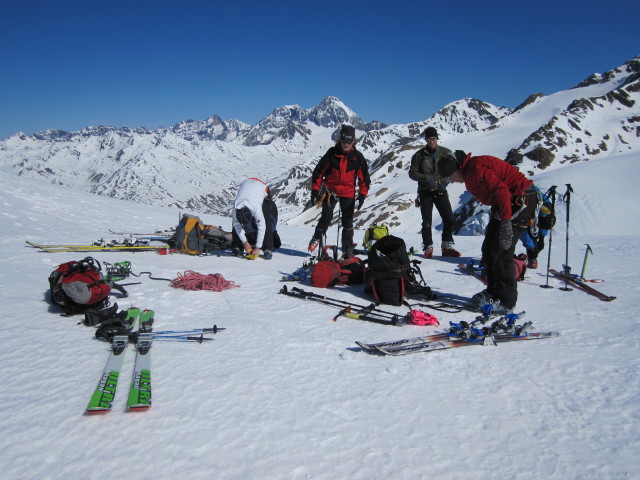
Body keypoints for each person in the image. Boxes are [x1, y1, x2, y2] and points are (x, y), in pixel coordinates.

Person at [437, 151, 538, 314]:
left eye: (450, 177)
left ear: (455, 170)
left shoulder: (475, 169)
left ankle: (506, 302)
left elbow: (502, 191)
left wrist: (505, 223)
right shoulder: (470, 171)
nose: (452, 181)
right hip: (509, 203)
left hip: (521, 201)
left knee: (502, 251)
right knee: (490, 249)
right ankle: (493, 292)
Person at [308, 124, 371, 258]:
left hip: (348, 193)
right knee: (326, 217)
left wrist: (362, 195)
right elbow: (318, 172)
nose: (346, 144)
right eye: (343, 141)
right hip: (330, 191)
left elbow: (364, 179)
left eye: (349, 141)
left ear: (353, 141)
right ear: (340, 140)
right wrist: (315, 190)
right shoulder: (331, 153)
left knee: (347, 222)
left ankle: (347, 249)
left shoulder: (357, 157)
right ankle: (316, 237)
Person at [408, 127, 461, 258]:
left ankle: (447, 245)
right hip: (425, 191)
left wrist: (447, 180)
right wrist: (426, 179)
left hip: (441, 190)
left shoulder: (445, 152)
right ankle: (428, 247)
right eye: (429, 139)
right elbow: (412, 173)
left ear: (437, 139)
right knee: (427, 221)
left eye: (433, 139)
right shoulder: (419, 155)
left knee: (449, 218)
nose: (431, 142)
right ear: (425, 140)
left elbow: (455, 167)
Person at [231, 177, 279, 260]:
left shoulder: (256, 208)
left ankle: (267, 248)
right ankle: (238, 246)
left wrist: (258, 247)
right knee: (235, 224)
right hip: (246, 184)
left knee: (266, 217)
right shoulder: (235, 208)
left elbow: (261, 227)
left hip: (261, 187)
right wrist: (244, 242)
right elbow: (237, 226)